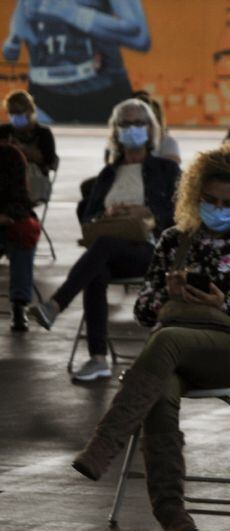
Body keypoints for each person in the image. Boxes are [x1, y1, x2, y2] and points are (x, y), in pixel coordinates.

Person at [68, 142, 230, 531]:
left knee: (165, 343)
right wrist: (167, 293)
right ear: (195, 195)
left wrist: (228, 301)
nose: (219, 208)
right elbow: (143, 311)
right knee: (160, 392)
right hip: (173, 355)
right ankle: (172, 513)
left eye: (229, 203)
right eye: (210, 200)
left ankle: (105, 444)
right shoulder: (175, 241)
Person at [29, 99, 179, 381]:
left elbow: (181, 216)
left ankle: (56, 305)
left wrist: (147, 212)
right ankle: (98, 359)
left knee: (103, 249)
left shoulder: (165, 170)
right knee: (97, 268)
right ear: (116, 131)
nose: (131, 128)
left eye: (138, 123)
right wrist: (107, 213)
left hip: (151, 251)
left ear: (149, 129)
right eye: (125, 123)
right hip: (112, 251)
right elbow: (88, 217)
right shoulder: (109, 173)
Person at [2, 0, 149, 123]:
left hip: (101, 91)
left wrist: (73, 14)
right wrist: (14, 39)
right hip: (44, 92)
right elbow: (23, 12)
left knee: (106, 153)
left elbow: (141, 39)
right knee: (38, 151)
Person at [0, 144, 39, 331]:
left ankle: (19, 305)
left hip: (8, 220)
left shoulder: (11, 156)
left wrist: (7, 216)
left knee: (24, 232)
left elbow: (21, 199)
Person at [0, 89, 57, 203]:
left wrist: (22, 150)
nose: (15, 116)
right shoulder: (3, 132)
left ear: (30, 111)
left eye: (19, 112)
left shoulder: (43, 134)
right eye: (11, 112)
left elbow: (49, 161)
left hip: (34, 180)